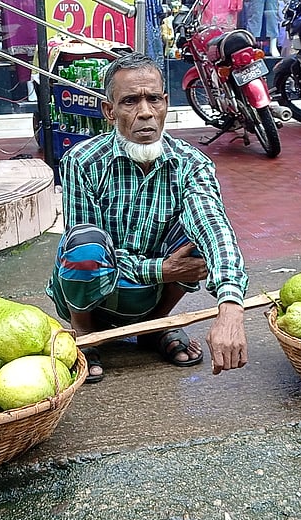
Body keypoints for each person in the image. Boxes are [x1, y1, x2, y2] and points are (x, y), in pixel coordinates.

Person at [46, 52, 250, 384]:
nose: (145, 112)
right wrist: (160, 269)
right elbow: (83, 247)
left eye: (153, 99)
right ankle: (85, 333)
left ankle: (153, 325)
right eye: (130, 101)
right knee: (84, 243)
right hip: (90, 295)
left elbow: (214, 226)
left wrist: (230, 304)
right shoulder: (81, 161)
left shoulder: (191, 163)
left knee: (200, 240)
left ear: (165, 103)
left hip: (150, 295)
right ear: (109, 111)